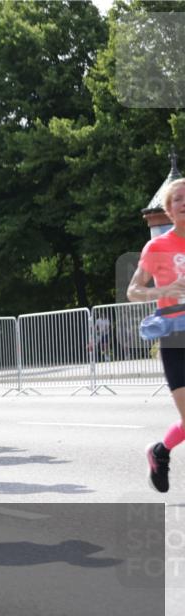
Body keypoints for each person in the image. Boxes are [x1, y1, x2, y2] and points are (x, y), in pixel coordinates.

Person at [128, 177, 185, 493]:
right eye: (178, 198)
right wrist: (163, 290)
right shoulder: (157, 247)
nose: (184, 201)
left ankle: (161, 452)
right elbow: (133, 290)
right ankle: (160, 453)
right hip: (176, 338)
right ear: (169, 209)